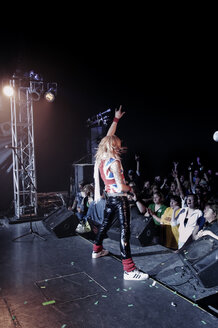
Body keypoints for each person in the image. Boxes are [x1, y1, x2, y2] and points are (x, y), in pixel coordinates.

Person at [92, 105, 149, 281]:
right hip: (118, 198)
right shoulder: (114, 162)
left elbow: (108, 136)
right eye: (118, 144)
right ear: (114, 146)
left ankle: (96, 250)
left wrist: (116, 119)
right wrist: (131, 189)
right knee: (125, 231)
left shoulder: (102, 158)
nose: (120, 146)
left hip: (110, 197)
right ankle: (129, 270)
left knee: (105, 224)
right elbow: (120, 186)